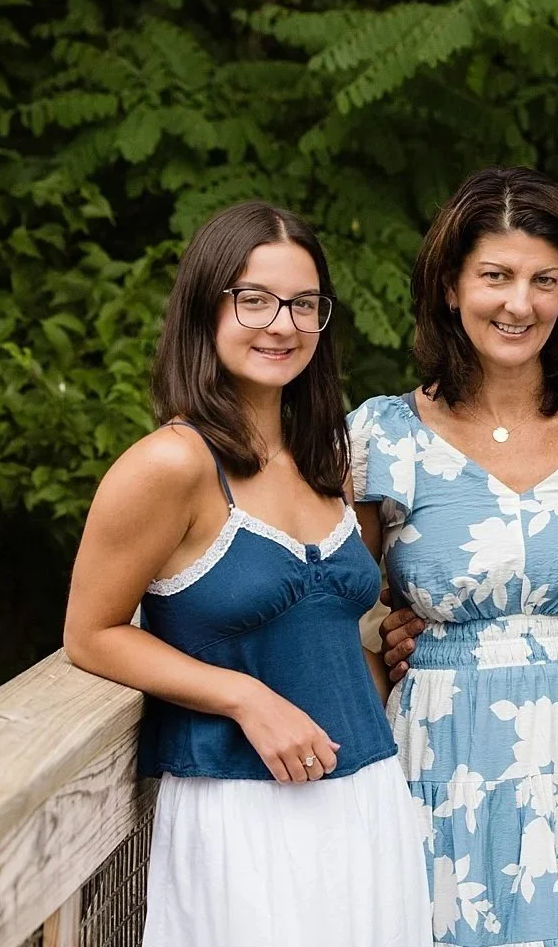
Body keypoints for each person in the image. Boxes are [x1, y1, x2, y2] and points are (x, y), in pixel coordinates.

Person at [61, 201, 430, 946]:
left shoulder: (326, 456)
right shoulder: (170, 464)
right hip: (242, 812)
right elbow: (91, 634)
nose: (282, 324)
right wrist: (243, 695)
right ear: (207, 308)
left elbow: (325, 623)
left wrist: (387, 644)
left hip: (366, 795)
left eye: (303, 304)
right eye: (254, 298)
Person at [348, 166, 558, 947]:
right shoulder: (380, 438)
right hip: (441, 749)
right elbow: (339, 609)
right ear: (451, 287)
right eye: (495, 276)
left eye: (544, 280)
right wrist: (381, 648)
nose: (520, 302)